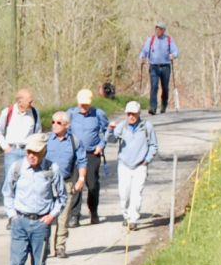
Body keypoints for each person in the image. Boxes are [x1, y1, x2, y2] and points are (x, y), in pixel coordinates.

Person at [2, 132, 62, 265]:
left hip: (41, 224)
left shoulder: (52, 170)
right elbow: (7, 193)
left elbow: (61, 197)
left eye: (35, 152)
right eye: (29, 152)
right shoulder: (17, 167)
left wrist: (51, 216)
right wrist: (12, 215)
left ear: (44, 152)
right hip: (20, 222)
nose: (31, 156)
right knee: (17, 264)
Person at [68, 88, 111, 225]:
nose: (84, 107)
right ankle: (75, 215)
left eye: (86, 104)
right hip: (75, 154)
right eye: (82, 104)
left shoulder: (98, 114)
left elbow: (107, 130)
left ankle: (93, 211)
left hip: (92, 153)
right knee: (76, 184)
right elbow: (66, 132)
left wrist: (101, 145)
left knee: (92, 185)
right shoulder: (71, 114)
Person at [0, 89, 41, 202]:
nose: (31, 103)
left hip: (28, 151)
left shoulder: (34, 113)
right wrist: (5, 147)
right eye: (29, 101)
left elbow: (38, 133)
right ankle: (11, 209)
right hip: (12, 151)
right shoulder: (7, 112)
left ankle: (25, 207)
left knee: (28, 181)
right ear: (19, 101)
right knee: (10, 182)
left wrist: (35, 149)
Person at [41, 110, 79, 258]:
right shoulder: (46, 140)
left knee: (63, 217)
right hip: (47, 183)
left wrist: (81, 178)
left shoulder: (74, 141)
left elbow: (82, 161)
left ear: (67, 125)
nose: (55, 125)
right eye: (53, 122)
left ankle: (60, 246)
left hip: (66, 182)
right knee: (46, 215)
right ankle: (44, 246)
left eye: (59, 122)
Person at [115, 100, 158, 228]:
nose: (131, 116)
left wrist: (147, 160)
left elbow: (153, 145)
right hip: (124, 165)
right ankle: (126, 215)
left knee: (136, 193)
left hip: (140, 165)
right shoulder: (121, 126)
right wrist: (111, 131)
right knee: (124, 194)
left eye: (133, 114)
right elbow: (111, 139)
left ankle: (133, 219)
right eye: (128, 114)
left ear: (139, 113)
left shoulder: (147, 127)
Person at [140, 25, 179, 111]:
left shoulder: (169, 39)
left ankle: (164, 104)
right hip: (154, 66)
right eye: (156, 29)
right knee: (154, 86)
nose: (157, 31)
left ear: (163, 30)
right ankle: (153, 107)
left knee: (165, 87)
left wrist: (173, 55)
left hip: (165, 66)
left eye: (160, 29)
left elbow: (175, 51)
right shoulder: (151, 39)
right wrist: (142, 57)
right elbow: (144, 51)